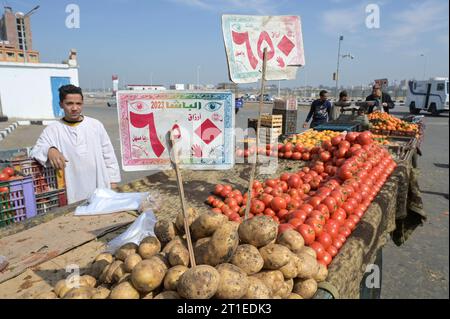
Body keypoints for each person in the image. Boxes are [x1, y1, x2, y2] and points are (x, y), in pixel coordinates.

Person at [31, 85, 121, 204]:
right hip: (71, 192)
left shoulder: (95, 125)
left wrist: (113, 182)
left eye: (78, 104)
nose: (74, 108)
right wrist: (50, 150)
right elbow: (36, 150)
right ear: (61, 104)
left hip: (100, 187)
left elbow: (109, 155)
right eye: (69, 103)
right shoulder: (53, 129)